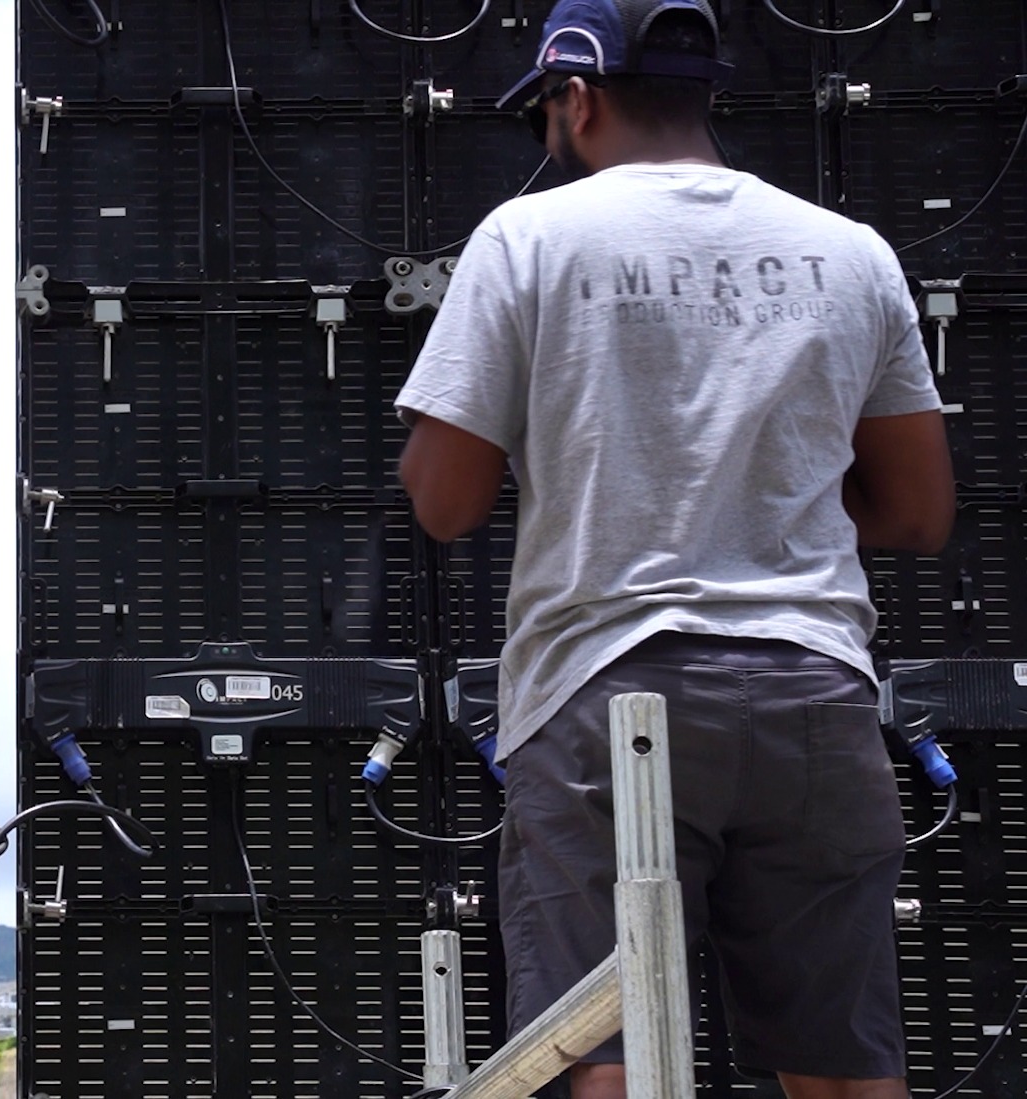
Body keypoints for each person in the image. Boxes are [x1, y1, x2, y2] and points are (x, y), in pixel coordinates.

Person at [393, 1, 955, 1097]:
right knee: (842, 1072)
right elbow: (918, 513)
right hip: (814, 696)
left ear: (577, 98)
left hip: (607, 690)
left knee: (596, 1058)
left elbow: (445, 503)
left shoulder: (529, 239)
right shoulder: (850, 253)